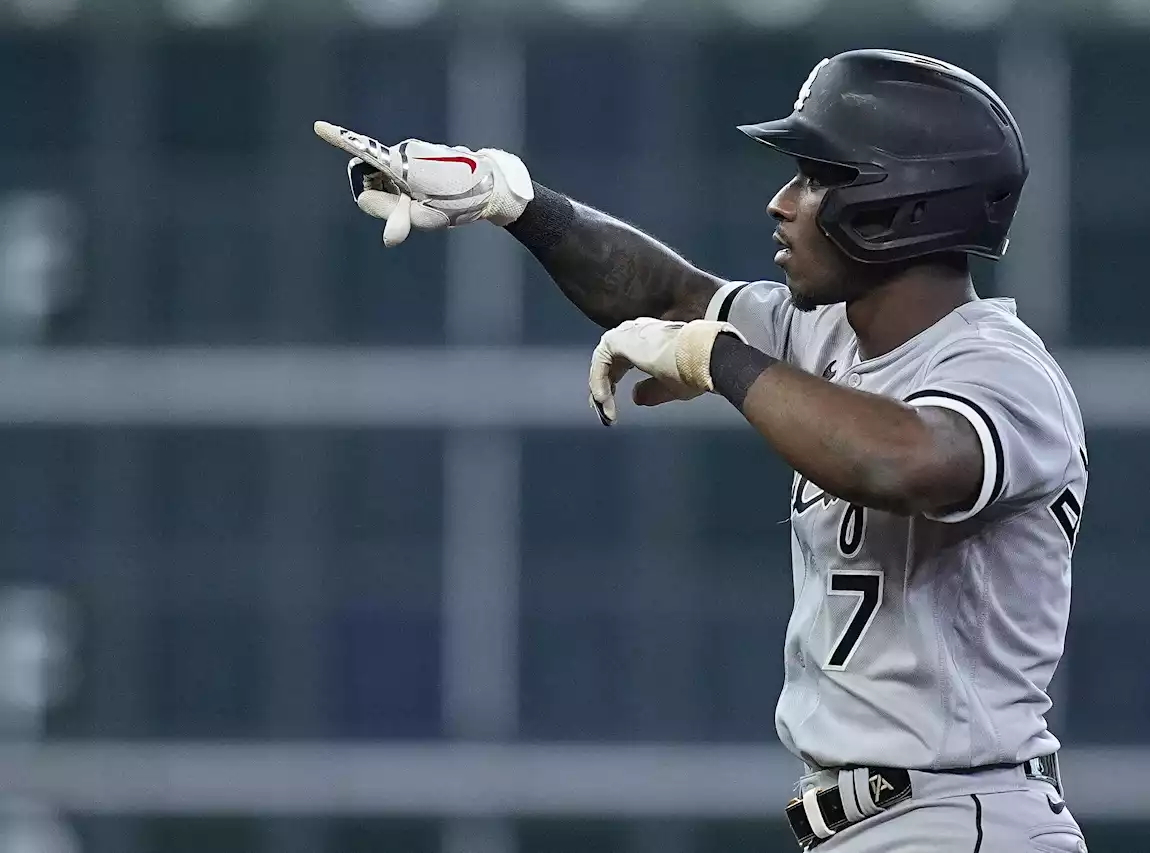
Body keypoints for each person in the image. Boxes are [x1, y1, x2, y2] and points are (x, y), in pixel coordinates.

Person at [316, 47, 1090, 853]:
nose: (782, 203)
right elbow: (669, 295)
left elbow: (906, 460)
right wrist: (516, 202)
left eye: (818, 176)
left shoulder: (1000, 366)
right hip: (885, 825)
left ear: (902, 202)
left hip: (961, 818)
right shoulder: (828, 335)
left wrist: (719, 359)